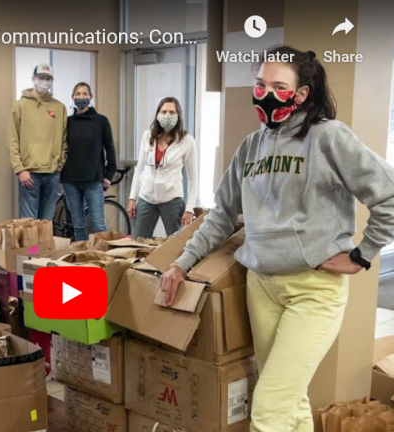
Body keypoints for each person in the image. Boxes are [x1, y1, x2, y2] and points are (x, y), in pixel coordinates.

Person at [160, 47, 394, 432]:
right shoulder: (251, 148)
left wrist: (362, 255)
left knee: (268, 409)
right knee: (290, 400)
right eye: (260, 84)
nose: (265, 92)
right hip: (262, 286)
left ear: (301, 94)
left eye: (278, 86)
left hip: (313, 291)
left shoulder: (328, 138)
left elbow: (386, 194)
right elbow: (221, 216)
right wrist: (180, 263)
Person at [128, 97, 198, 238]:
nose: (167, 115)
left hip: (172, 199)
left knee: (175, 244)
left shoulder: (187, 141)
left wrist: (190, 209)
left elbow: (193, 178)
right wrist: (132, 198)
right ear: (157, 114)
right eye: (164, 111)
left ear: (178, 116)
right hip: (146, 198)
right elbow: (139, 169)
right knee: (137, 242)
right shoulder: (147, 136)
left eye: (172, 112)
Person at [8, 63, 68, 220]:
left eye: (48, 78)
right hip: (29, 174)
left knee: (46, 223)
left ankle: (42, 247)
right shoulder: (20, 105)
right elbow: (13, 139)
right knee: (29, 224)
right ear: (33, 79)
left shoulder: (59, 107)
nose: (44, 81)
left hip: (52, 173)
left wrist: (59, 165)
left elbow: (64, 141)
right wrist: (20, 169)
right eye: (41, 77)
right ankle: (32, 247)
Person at [61, 82, 117, 240]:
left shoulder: (101, 121)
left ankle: (104, 262)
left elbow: (110, 149)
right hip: (70, 180)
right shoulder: (67, 122)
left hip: (93, 180)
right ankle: (81, 260)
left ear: (91, 97)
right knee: (78, 227)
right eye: (78, 94)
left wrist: (109, 175)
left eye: (85, 94)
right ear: (72, 97)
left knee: (99, 226)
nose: (81, 97)